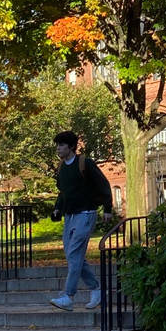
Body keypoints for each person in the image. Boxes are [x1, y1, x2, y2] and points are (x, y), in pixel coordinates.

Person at [49, 130, 113, 311]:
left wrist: (107, 209)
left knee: (74, 252)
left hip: (86, 213)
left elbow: (103, 184)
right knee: (72, 255)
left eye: (61, 145)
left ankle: (68, 296)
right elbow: (63, 192)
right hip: (70, 216)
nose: (58, 148)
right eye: (57, 145)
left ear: (71, 147)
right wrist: (57, 208)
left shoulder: (85, 163)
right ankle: (96, 289)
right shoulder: (61, 168)